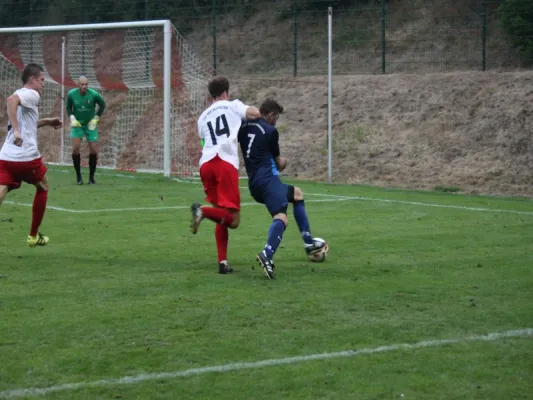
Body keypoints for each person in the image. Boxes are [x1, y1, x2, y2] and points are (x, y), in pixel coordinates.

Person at [238, 98, 326, 279]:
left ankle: (309, 243)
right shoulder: (270, 131)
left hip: (254, 182)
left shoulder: (244, 126)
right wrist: (285, 161)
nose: (276, 121)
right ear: (270, 115)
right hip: (269, 181)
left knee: (297, 194)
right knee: (281, 218)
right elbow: (279, 164)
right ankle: (267, 254)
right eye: (276, 117)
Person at [190, 76, 260, 274]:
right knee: (233, 220)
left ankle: (223, 263)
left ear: (211, 95)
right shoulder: (232, 105)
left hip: (206, 165)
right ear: (225, 93)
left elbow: (204, 142)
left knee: (220, 214)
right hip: (224, 163)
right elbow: (254, 113)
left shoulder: (202, 117)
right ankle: (201, 211)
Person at [0, 63, 63, 247]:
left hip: (5, 156)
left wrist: (47, 121)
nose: (43, 84)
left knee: (2, 188)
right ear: (32, 79)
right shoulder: (31, 94)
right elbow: (11, 100)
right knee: (43, 186)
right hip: (26, 157)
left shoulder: (23, 95)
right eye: (42, 80)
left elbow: (28, 122)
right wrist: (18, 131)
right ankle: (34, 236)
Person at [66, 76, 106, 185]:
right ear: (78, 85)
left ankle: (91, 178)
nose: (84, 86)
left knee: (93, 149)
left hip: (90, 125)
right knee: (75, 149)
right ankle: (79, 177)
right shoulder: (71, 94)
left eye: (86, 84)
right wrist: (72, 117)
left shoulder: (94, 94)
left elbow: (102, 105)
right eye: (82, 84)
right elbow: (68, 108)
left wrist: (96, 118)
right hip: (77, 124)